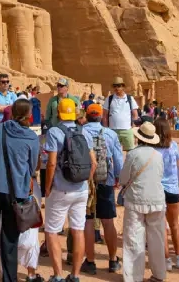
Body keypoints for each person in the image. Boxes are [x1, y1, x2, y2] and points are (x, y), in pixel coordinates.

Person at [0, 99, 40, 282]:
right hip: (15, 192)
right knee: (9, 240)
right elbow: (33, 166)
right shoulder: (31, 137)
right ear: (28, 115)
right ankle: (9, 278)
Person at [44, 98, 97, 282]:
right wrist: (86, 182)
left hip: (61, 188)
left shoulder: (54, 132)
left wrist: (48, 187)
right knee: (78, 230)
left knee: (51, 231)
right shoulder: (84, 131)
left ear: (58, 113)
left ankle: (58, 275)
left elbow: (51, 163)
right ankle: (75, 275)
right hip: (81, 189)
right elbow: (94, 162)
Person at [119, 121, 167, 282]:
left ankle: (133, 277)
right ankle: (159, 274)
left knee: (134, 238)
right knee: (157, 238)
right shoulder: (158, 155)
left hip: (136, 199)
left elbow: (124, 178)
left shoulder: (133, 154)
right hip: (157, 199)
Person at [81, 103, 123, 274]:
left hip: (87, 182)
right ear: (101, 116)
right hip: (106, 180)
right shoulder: (111, 134)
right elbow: (118, 160)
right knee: (108, 221)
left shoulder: (81, 132)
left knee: (89, 221)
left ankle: (90, 262)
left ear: (87, 115)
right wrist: (118, 178)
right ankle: (113, 260)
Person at [153, 118, 179, 270]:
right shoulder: (173, 145)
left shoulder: (153, 149)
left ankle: (166, 260)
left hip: (159, 189)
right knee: (174, 225)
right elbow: (178, 164)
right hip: (172, 189)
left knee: (162, 226)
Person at [102, 77, 139, 151]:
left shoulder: (130, 99)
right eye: (115, 86)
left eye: (118, 86)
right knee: (113, 151)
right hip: (113, 130)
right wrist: (106, 129)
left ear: (123, 87)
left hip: (127, 130)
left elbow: (135, 115)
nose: (116, 88)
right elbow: (105, 115)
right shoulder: (109, 99)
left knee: (130, 151)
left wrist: (133, 128)